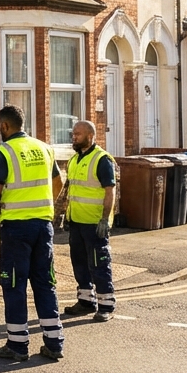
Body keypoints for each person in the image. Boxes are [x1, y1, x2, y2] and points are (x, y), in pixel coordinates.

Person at [0, 105, 65, 362]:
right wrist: (46, 207)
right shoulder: (44, 148)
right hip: (43, 226)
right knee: (45, 283)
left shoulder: (3, 153)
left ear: (6, 126)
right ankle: (54, 343)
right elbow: (59, 182)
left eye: (0, 126)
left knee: (13, 284)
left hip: (17, 229)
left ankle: (18, 346)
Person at [61, 119, 118, 321]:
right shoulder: (74, 160)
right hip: (77, 222)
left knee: (99, 264)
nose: (74, 137)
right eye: (73, 134)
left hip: (95, 224)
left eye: (78, 134)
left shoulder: (102, 160)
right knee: (79, 264)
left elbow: (110, 192)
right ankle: (86, 301)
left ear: (90, 136)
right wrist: (66, 216)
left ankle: (106, 306)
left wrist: (105, 219)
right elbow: (72, 191)